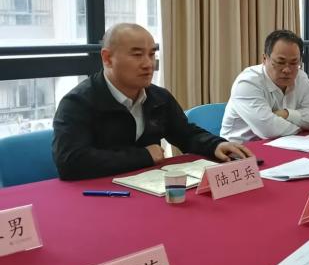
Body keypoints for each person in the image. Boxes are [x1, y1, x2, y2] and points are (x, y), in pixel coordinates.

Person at [53, 23, 250, 181]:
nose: (149, 64)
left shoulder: (158, 97)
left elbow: (185, 134)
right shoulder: (77, 102)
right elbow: (70, 162)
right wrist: (144, 156)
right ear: (107, 58)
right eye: (137, 55)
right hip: (100, 197)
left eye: (152, 54)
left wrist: (215, 145)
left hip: (150, 189)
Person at [221, 29, 309, 141]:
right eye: (280, 62)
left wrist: (286, 114)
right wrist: (304, 126)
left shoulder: (301, 78)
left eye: (294, 63)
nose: (287, 70)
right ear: (264, 59)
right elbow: (268, 129)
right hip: (241, 148)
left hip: (287, 143)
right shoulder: (247, 82)